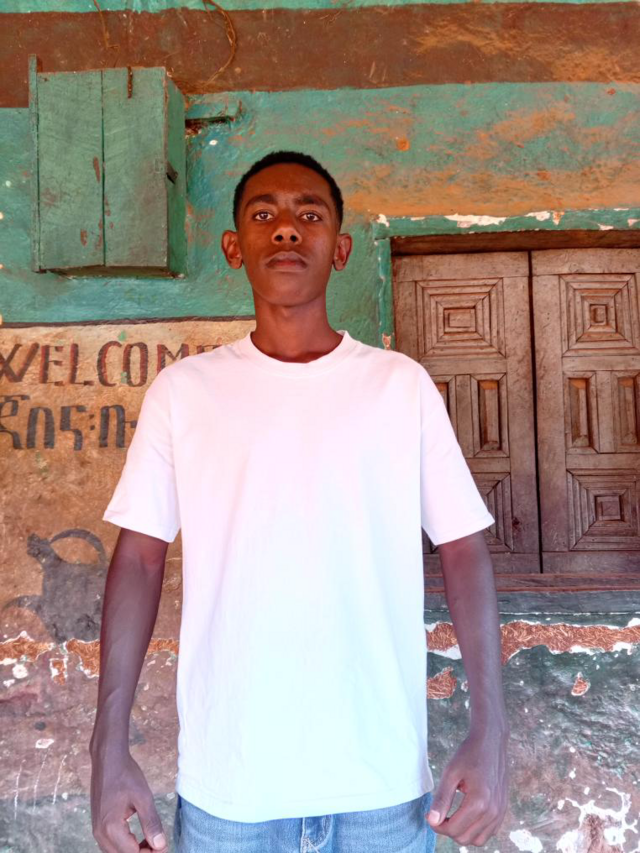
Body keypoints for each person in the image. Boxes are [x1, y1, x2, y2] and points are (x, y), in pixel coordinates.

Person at [90, 150, 509, 853]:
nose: (286, 229)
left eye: (309, 214)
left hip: (383, 791)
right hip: (230, 791)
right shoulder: (184, 393)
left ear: (340, 250)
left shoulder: (399, 386)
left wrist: (490, 731)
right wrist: (107, 748)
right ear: (234, 248)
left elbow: (464, 548)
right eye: (264, 214)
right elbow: (137, 561)